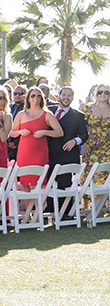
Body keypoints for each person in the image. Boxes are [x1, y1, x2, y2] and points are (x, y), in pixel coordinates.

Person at [10, 86, 63, 190]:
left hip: (40, 153)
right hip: (24, 153)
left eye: (39, 96)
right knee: (25, 183)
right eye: (33, 95)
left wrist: (45, 132)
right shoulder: (21, 114)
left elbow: (60, 132)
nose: (36, 98)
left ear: (42, 98)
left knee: (41, 183)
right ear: (28, 98)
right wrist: (20, 132)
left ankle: (39, 207)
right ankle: (28, 207)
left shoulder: (47, 114)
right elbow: (12, 133)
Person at [48, 86, 87, 214]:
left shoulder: (79, 116)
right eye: (64, 95)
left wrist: (75, 141)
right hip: (48, 153)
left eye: (69, 95)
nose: (66, 97)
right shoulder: (48, 110)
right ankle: (49, 211)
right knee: (49, 183)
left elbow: (84, 135)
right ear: (59, 96)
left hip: (67, 154)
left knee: (65, 184)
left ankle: (67, 213)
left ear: (73, 98)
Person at [81, 83, 110, 185]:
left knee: (104, 181)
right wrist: (83, 144)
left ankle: (103, 202)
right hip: (90, 150)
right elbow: (80, 127)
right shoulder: (87, 108)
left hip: (107, 151)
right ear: (96, 94)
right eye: (100, 92)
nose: (103, 94)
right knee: (88, 180)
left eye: (106, 92)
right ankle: (86, 202)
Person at [7, 85, 26, 162]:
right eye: (15, 93)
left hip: (20, 145)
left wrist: (15, 143)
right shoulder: (9, 107)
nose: (17, 95)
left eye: (21, 93)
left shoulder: (28, 109)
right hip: (7, 145)